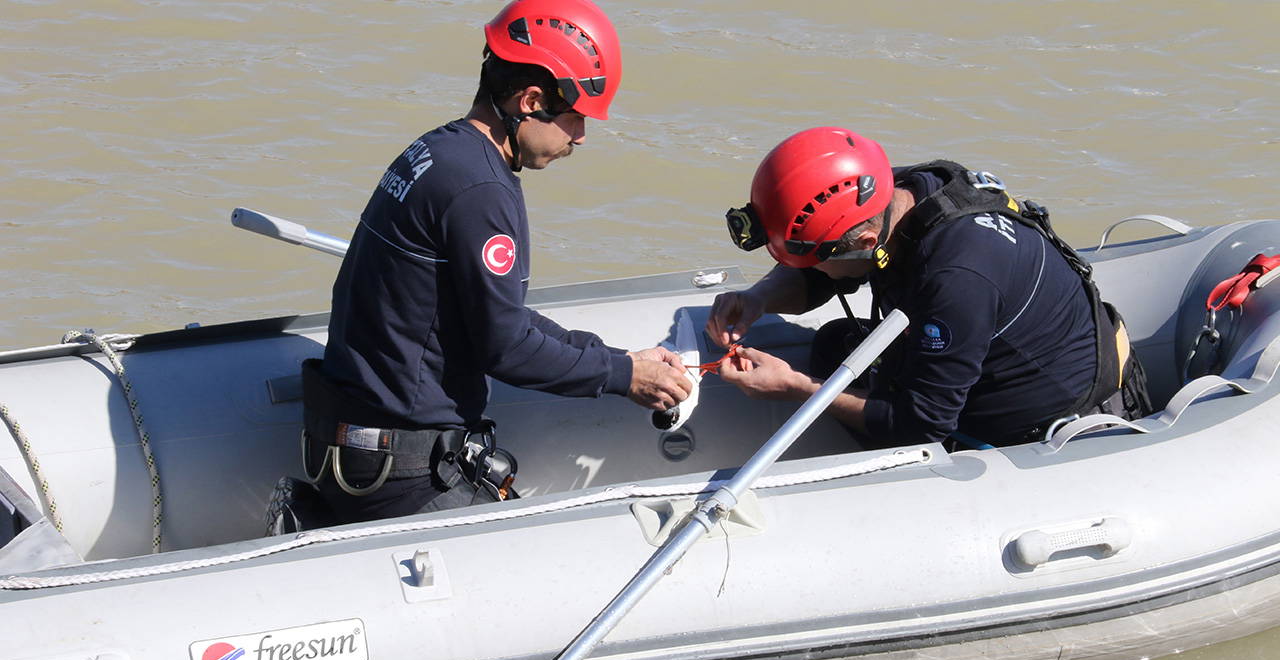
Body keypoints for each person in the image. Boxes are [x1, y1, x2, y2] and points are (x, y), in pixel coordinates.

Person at [297, 0, 691, 526]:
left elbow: (500, 315)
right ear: (532, 101)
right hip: (399, 472)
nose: (580, 136)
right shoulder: (481, 189)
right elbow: (507, 348)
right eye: (576, 116)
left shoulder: (438, 150)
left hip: (352, 443)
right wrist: (623, 376)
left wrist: (617, 358)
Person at [707, 126, 1150, 449]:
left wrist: (795, 386)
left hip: (1050, 420)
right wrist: (757, 298)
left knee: (841, 376)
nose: (807, 269)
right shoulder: (890, 196)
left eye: (814, 258)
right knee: (833, 345)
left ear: (865, 243)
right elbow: (821, 272)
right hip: (982, 349)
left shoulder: (956, 279)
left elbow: (921, 424)